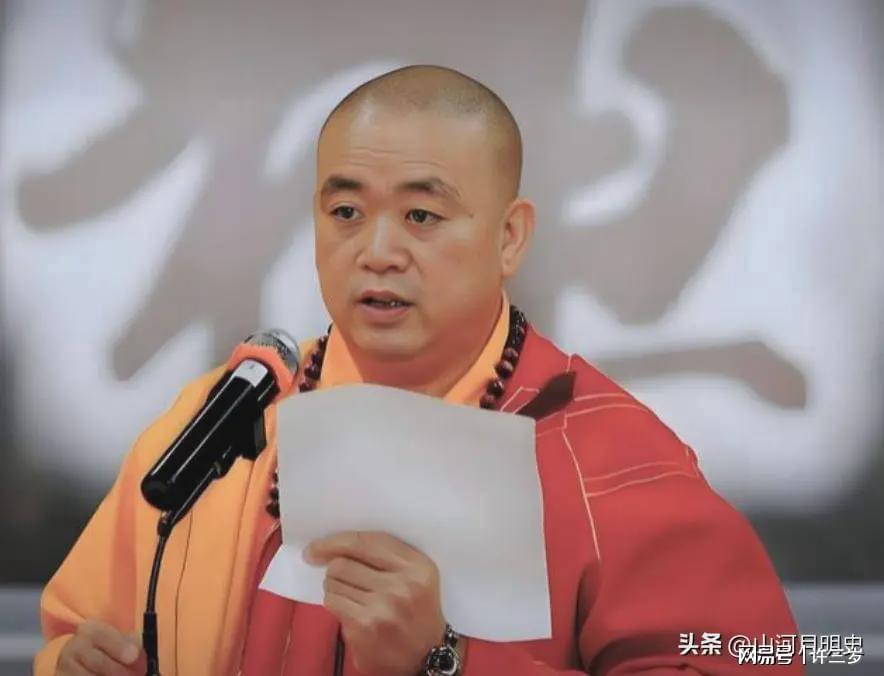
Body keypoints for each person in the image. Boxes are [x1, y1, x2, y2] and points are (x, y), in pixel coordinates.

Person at [37, 65, 803, 676]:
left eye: (421, 216)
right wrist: (78, 660)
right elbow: (78, 625)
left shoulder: (606, 458)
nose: (377, 252)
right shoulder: (224, 422)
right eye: (345, 213)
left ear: (510, 237)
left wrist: (447, 660)